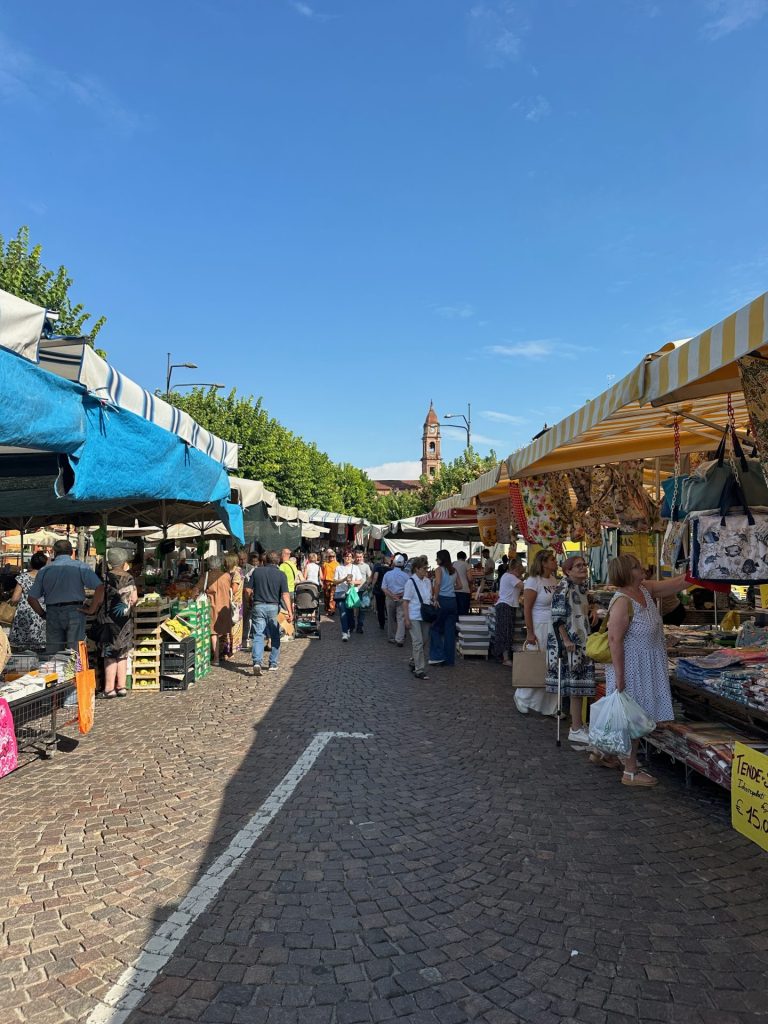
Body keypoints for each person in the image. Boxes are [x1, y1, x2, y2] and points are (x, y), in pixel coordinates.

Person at [606, 555, 688, 787]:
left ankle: (606, 754)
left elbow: (676, 584)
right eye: (635, 567)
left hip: (647, 664)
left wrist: (702, 572)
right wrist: (620, 677)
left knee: (636, 716)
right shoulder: (622, 601)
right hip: (632, 667)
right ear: (625, 573)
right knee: (634, 718)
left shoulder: (645, 589)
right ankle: (630, 771)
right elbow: (614, 640)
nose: (641, 568)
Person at [545, 555, 597, 746]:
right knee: (575, 685)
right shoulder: (563, 587)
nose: (583, 568)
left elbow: (590, 601)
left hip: (581, 640)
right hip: (569, 642)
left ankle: (579, 726)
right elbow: (557, 617)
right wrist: (566, 640)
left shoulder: (581, 586)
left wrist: (593, 609)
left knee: (580, 685)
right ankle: (575, 728)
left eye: (584, 565)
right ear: (568, 570)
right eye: (578, 566)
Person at [28, 540, 104, 655]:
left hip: (52, 612)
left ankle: (56, 667)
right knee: (75, 652)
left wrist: (43, 614)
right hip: (75, 611)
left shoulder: (44, 570)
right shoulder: (80, 566)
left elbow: (31, 598)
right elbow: (100, 587)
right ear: (71, 552)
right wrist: (91, 609)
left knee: (53, 654)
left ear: (54, 552)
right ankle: (74, 667)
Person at [516, 548, 559, 716]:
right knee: (537, 663)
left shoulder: (553, 579)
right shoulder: (533, 581)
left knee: (552, 665)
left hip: (553, 626)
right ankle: (523, 696)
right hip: (539, 626)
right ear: (543, 563)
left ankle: (550, 705)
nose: (555, 562)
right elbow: (527, 608)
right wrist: (530, 632)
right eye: (552, 559)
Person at [97, 550, 138, 698]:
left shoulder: (105, 578)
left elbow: (99, 599)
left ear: (109, 562)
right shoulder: (129, 578)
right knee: (122, 653)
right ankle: (121, 687)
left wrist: (90, 609)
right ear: (124, 562)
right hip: (124, 620)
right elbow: (134, 599)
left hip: (108, 620)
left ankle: (109, 689)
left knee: (109, 654)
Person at [244, 550, 292, 676]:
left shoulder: (257, 572)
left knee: (258, 635)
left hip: (258, 605)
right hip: (274, 607)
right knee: (275, 635)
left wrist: (249, 601)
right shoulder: (281, 574)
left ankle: (257, 662)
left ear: (265, 560)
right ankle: (273, 663)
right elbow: (285, 595)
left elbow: (247, 590)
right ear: (278, 561)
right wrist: (289, 611)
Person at [9, 552, 48, 652]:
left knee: (22, 650)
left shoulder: (23, 577)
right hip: (42, 614)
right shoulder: (47, 578)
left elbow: (15, 598)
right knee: (40, 648)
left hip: (24, 614)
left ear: (31, 563)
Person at [402, 556, 433, 680]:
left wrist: (433, 601)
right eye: (424, 568)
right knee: (418, 642)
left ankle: (413, 661)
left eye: (427, 568)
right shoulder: (410, 582)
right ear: (417, 569)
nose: (426, 570)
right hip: (414, 615)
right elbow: (405, 602)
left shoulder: (427, 581)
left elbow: (428, 597)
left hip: (425, 615)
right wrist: (406, 618)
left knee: (424, 640)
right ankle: (419, 669)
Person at [428, 549, 458, 667]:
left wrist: (435, 598)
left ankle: (437, 656)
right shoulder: (454, 570)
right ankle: (449, 660)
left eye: (437, 558)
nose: (436, 560)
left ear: (441, 559)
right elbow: (460, 585)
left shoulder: (439, 570)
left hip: (442, 600)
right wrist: (450, 588)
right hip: (453, 601)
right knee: (450, 631)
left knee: (435, 628)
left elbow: (438, 583)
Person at [203, 555, 233, 666]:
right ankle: (224, 653)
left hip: (213, 606)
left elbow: (198, 589)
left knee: (213, 632)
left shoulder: (207, 576)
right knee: (224, 630)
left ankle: (216, 658)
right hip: (225, 606)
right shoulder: (227, 576)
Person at [493, 557, 523, 666]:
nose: (520, 574)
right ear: (515, 569)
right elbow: (524, 586)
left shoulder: (507, 576)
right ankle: (505, 658)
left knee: (504, 632)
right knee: (505, 633)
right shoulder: (510, 577)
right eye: (519, 572)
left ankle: (502, 656)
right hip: (506, 606)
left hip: (505, 606)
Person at [382, 555, 409, 647]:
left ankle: (391, 637)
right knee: (401, 618)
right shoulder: (406, 576)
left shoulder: (387, 574)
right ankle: (399, 639)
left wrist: (392, 595)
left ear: (393, 563)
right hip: (401, 598)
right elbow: (409, 589)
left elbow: (384, 588)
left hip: (390, 598)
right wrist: (400, 595)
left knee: (390, 618)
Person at [346, 548, 372, 634]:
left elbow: (370, 577)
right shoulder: (351, 565)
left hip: (362, 591)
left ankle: (360, 626)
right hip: (353, 590)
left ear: (363, 557)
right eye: (357, 557)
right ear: (354, 557)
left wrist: (367, 583)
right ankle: (352, 625)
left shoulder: (366, 566)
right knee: (351, 608)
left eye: (360, 557)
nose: (358, 558)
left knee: (362, 609)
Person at [225, 552, 245, 654]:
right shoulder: (233, 571)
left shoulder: (236, 573)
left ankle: (232, 649)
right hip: (234, 602)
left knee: (233, 626)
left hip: (235, 604)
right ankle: (230, 648)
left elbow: (234, 589)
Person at [370, 554, 391, 630]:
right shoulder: (391, 569)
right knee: (388, 608)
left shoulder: (378, 568)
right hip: (388, 591)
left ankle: (382, 624)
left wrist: (373, 586)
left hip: (379, 590)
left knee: (380, 608)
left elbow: (375, 577)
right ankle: (390, 623)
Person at [452, 551, 471, 617]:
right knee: (463, 613)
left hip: (454, 589)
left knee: (455, 611)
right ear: (465, 557)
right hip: (464, 590)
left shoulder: (453, 564)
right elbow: (470, 578)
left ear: (457, 557)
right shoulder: (466, 564)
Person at [321, 549, 339, 616]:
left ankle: (332, 609)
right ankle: (327, 609)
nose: (331, 558)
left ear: (335, 557)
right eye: (330, 556)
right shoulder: (325, 564)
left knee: (332, 597)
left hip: (333, 582)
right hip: (326, 582)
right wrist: (322, 582)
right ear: (328, 557)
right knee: (326, 597)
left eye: (333, 556)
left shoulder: (337, 564)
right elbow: (322, 574)